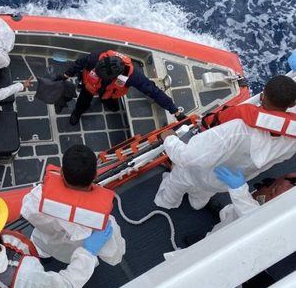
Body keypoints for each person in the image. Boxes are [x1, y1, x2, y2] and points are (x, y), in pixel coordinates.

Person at [154, 75, 296, 210]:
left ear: (263, 94)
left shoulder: (237, 128)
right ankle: (196, 204)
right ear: (293, 103)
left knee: (174, 186)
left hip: (194, 173)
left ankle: (166, 203)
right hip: (224, 181)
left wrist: (169, 139)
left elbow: (188, 157)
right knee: (202, 196)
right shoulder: (292, 141)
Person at [21, 144, 126, 264]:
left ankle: (42, 255)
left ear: (61, 172)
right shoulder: (102, 223)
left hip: (44, 243)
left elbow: (26, 211)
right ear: (95, 175)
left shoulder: (37, 197)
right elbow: (115, 258)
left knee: (41, 248)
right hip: (72, 256)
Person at [63, 50, 184, 125]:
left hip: (110, 92)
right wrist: (65, 75)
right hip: (90, 87)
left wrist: (174, 110)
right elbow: (79, 63)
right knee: (82, 102)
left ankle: (105, 100)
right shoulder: (95, 57)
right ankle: (77, 113)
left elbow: (154, 91)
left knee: (113, 106)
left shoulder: (134, 77)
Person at [210, 167, 295, 232]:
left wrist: (239, 189)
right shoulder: (291, 178)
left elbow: (256, 220)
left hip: (232, 237)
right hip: (229, 220)